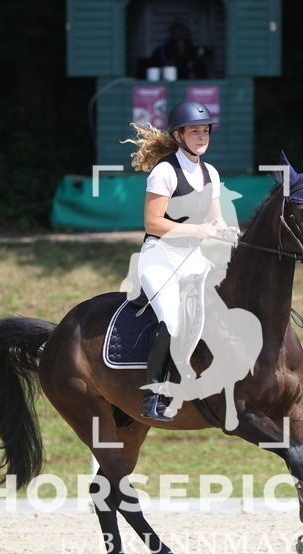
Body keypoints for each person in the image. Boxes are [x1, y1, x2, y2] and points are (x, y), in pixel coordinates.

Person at [121, 100, 239, 421]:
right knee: (173, 322)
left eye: (206, 131)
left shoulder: (209, 171)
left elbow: (214, 219)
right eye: (195, 132)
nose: (202, 137)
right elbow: (153, 223)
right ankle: (152, 395)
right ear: (178, 135)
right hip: (160, 258)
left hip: (193, 259)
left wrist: (225, 230)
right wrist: (197, 229)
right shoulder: (164, 172)